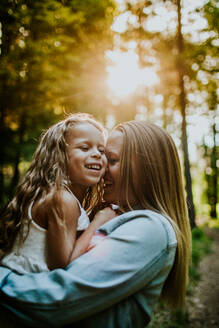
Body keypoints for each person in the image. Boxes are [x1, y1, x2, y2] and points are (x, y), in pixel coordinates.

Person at [0, 120, 192, 328]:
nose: (102, 167)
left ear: (147, 170)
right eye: (94, 152)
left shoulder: (149, 229)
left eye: (111, 159)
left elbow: (58, 298)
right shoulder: (102, 212)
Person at [0, 113, 109, 274]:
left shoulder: (63, 197)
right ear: (60, 155)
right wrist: (98, 222)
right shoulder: (63, 199)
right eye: (85, 148)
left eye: (102, 150)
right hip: (22, 289)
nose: (97, 154)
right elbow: (63, 268)